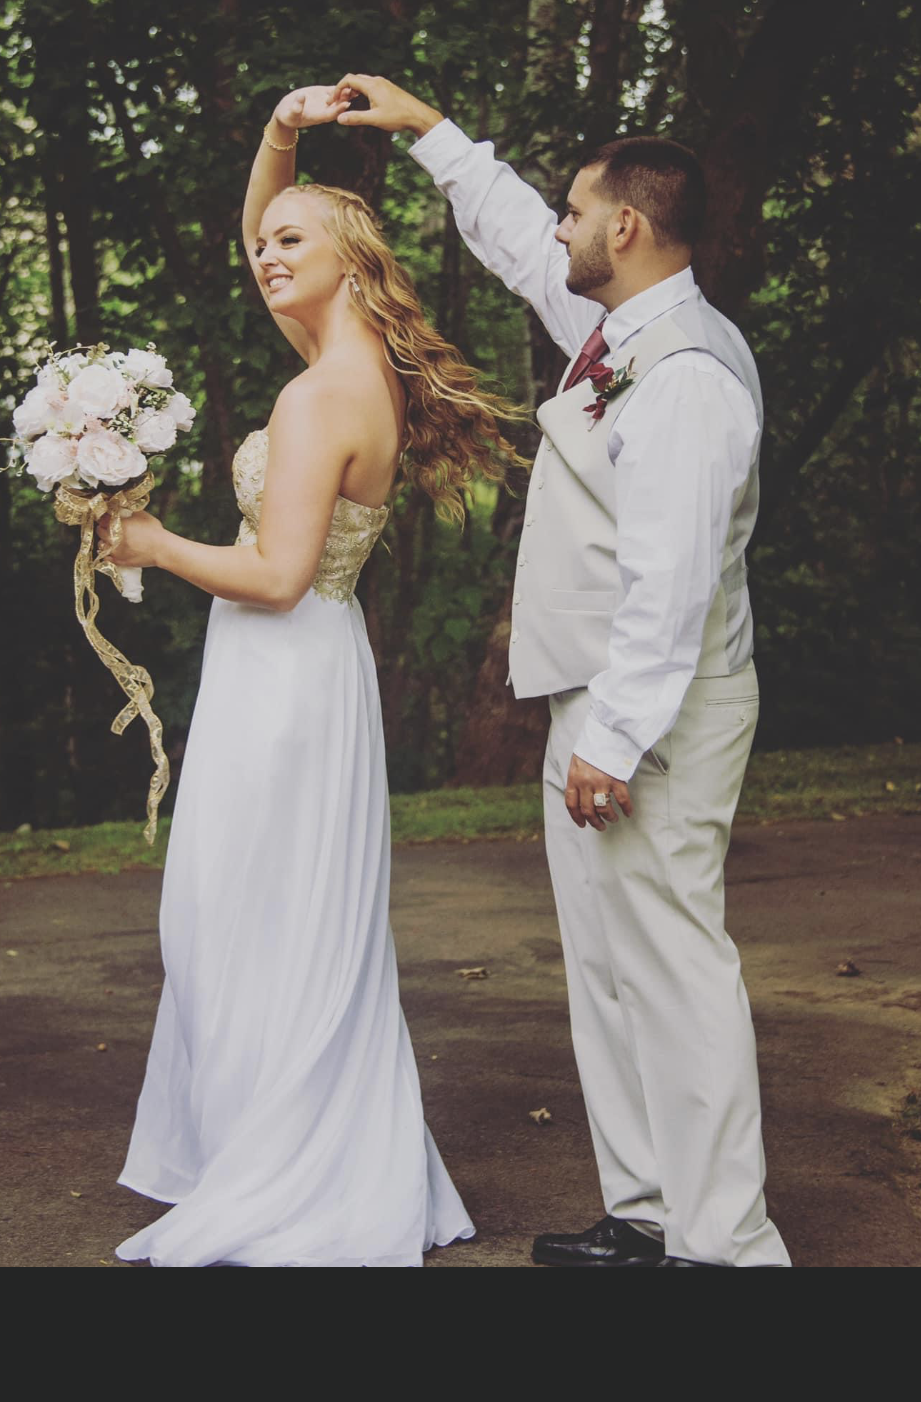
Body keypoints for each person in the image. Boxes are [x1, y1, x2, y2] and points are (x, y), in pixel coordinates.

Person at [328, 71, 790, 1271]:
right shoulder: (616, 330)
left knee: (675, 970)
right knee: (608, 970)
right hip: (597, 697)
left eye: (578, 214)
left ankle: (726, 1248)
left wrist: (613, 740)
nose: (562, 232)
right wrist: (430, 133)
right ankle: (644, 1215)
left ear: (626, 228)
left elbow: (672, 583)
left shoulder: (684, 370)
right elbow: (514, 243)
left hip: (655, 712)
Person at [96, 86, 522, 1268]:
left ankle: (283, 1169)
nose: (268, 254)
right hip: (300, 673)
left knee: (236, 915)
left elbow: (279, 573)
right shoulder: (351, 362)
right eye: (266, 240)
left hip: (285, 672)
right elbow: (258, 235)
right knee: (255, 915)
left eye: (294, 240)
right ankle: (261, 1146)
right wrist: (282, 142)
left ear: (352, 261)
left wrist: (150, 544)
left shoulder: (320, 392)